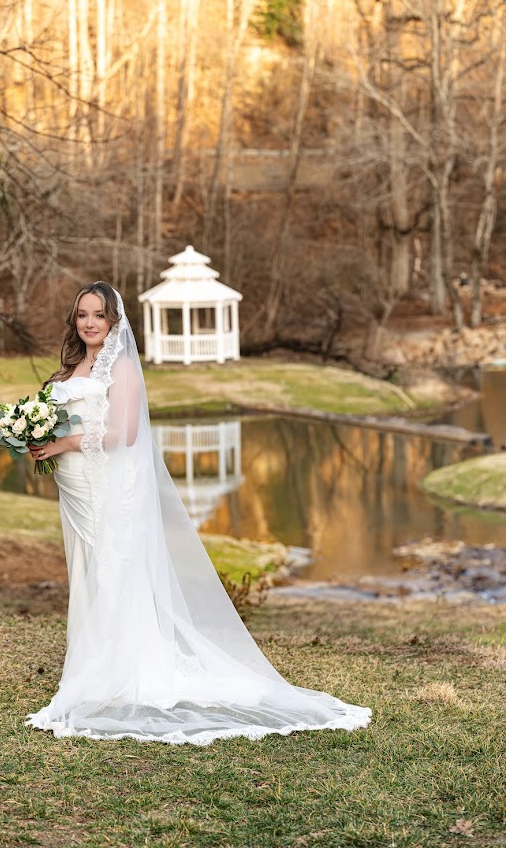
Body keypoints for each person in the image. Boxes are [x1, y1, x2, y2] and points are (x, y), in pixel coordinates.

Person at [25, 281, 371, 744]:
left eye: (98, 315)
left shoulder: (122, 367)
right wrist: (38, 442)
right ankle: (92, 667)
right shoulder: (71, 368)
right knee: (89, 572)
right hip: (78, 489)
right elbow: (64, 419)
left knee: (116, 570)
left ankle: (122, 672)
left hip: (111, 485)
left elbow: (126, 433)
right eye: (82, 315)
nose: (89, 323)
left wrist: (65, 441)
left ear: (113, 321)